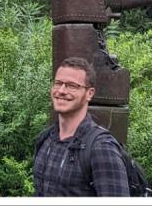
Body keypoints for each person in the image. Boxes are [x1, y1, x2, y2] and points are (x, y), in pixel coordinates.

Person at [32, 57, 130, 196]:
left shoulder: (101, 148)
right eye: (58, 83)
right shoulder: (45, 139)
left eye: (72, 86)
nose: (61, 90)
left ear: (89, 93)